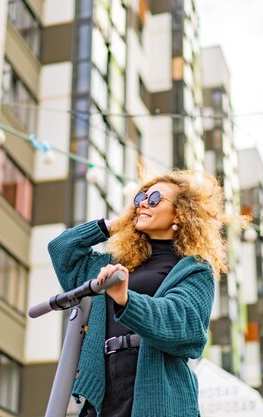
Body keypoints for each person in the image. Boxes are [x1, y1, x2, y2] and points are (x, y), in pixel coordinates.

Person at [47, 170, 229, 417]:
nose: (143, 202)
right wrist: (118, 223)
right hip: (105, 398)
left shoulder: (193, 270)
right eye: (140, 198)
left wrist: (125, 299)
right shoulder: (114, 264)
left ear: (180, 213)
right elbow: (61, 249)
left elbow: (184, 324)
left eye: (154, 199)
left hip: (161, 400)